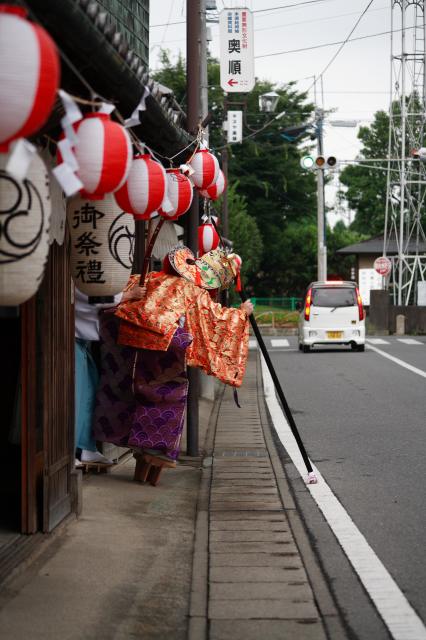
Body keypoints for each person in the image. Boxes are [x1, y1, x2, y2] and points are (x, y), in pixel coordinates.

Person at [92, 246, 253, 480]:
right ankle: (157, 451)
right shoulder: (192, 290)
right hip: (165, 350)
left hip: (129, 345)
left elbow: (120, 297)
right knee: (169, 397)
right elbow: (216, 318)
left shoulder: (151, 278)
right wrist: (241, 313)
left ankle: (139, 449)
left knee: (131, 395)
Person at [74, 286, 143, 467]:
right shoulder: (74, 277)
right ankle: (70, 450)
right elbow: (93, 297)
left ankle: (84, 447)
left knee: (88, 394)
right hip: (68, 340)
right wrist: (129, 294)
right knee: (75, 397)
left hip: (82, 341)